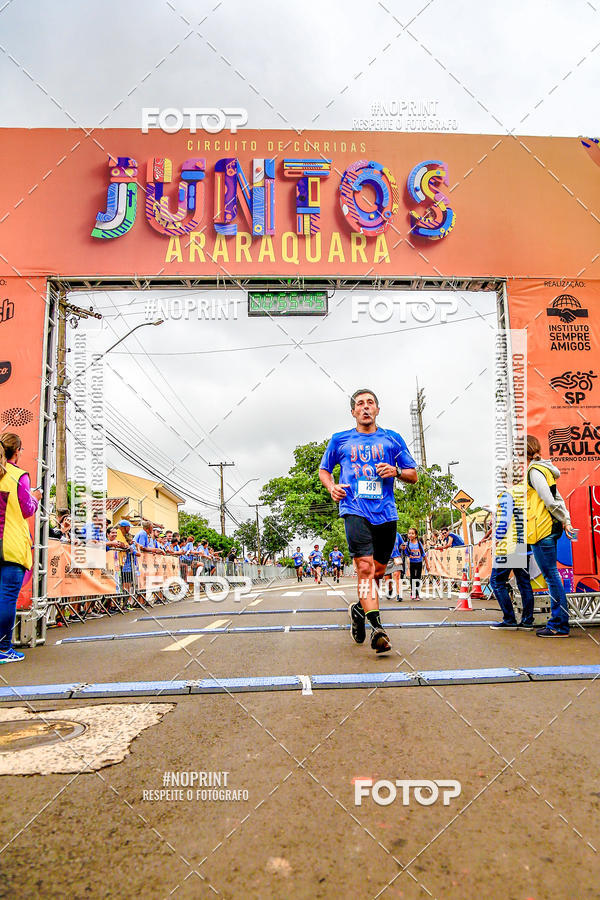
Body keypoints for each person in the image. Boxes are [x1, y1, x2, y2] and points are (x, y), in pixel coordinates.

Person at [319, 388, 417, 654]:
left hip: (385, 513)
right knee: (364, 568)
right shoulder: (340, 440)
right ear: (353, 412)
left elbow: (413, 474)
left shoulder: (392, 439)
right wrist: (331, 488)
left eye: (370, 403)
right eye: (360, 404)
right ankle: (378, 628)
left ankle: (359, 610)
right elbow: (324, 470)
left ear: (377, 409)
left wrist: (396, 471)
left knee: (376, 573)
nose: (365, 407)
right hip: (353, 508)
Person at [526, 434, 576, 637]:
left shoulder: (535, 471)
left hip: (541, 529)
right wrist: (566, 520)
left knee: (551, 576)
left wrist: (564, 518)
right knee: (552, 575)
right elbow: (558, 497)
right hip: (549, 528)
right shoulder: (546, 469)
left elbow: (549, 500)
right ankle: (558, 622)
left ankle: (559, 624)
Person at [0, 433, 41, 663]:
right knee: (6, 598)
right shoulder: (18, 476)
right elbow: (27, 509)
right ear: (17, 452)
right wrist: (35, 497)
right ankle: (4, 649)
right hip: (11, 546)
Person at [489, 469, 534, 630]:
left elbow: (504, 521)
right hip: (524, 543)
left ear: (504, 478)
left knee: (496, 581)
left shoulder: (507, 495)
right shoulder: (526, 494)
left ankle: (509, 619)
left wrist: (497, 538)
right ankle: (528, 620)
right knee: (523, 582)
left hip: (509, 545)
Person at [405, 527, 427, 600]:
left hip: (419, 562)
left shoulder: (419, 544)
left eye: (412, 533)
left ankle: (417, 594)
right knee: (412, 578)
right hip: (411, 563)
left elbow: (424, 554)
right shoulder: (407, 544)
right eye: (409, 533)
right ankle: (413, 593)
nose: (411, 535)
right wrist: (408, 554)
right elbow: (406, 553)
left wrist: (427, 564)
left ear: (416, 535)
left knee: (418, 577)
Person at [389, 531, 407, 601]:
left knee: (397, 575)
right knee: (388, 579)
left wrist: (403, 546)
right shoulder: (382, 533)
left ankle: (399, 594)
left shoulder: (397, 534)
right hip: (386, 559)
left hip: (396, 557)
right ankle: (390, 590)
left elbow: (402, 545)